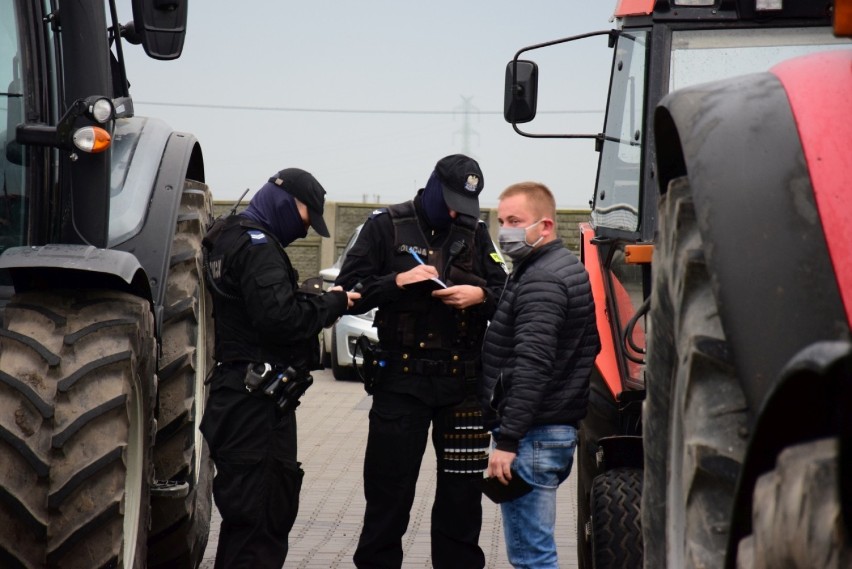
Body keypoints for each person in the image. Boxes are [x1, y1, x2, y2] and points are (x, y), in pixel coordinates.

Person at [335, 154, 508, 569]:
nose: (454, 213)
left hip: (462, 388)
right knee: (388, 499)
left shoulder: (476, 232)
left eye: (462, 206)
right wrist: (395, 282)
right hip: (401, 383)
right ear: (432, 185)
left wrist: (480, 296)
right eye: (449, 201)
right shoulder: (385, 226)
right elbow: (347, 290)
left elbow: (509, 293)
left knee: (461, 506)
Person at [199, 168, 360, 569]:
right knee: (263, 516)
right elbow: (280, 319)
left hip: (233, 397)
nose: (306, 231)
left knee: (243, 519)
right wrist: (331, 304)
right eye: (307, 218)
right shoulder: (259, 248)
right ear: (289, 202)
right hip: (257, 406)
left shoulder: (226, 235)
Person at [479, 181, 600, 569]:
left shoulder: (542, 279)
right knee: (536, 550)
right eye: (501, 221)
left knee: (532, 556)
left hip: (532, 436)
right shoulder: (557, 267)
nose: (505, 231)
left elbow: (533, 363)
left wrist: (509, 439)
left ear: (544, 225)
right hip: (551, 431)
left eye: (516, 220)